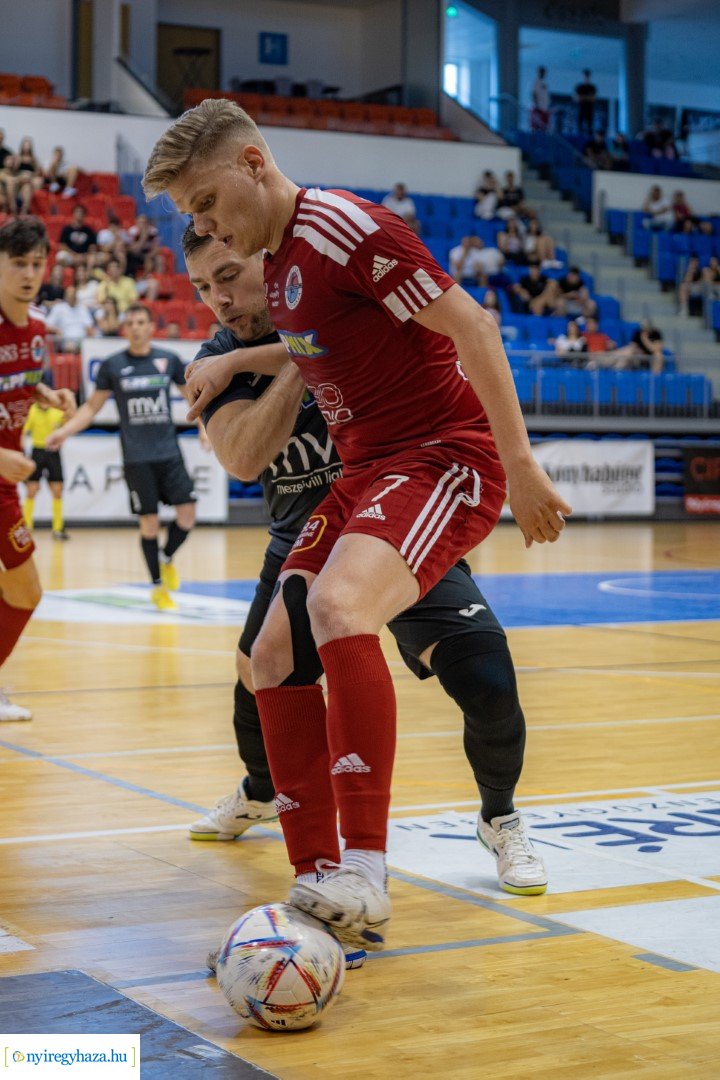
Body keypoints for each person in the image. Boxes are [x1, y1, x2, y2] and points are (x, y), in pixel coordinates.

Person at [144, 99, 570, 951]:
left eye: (204, 204)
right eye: (193, 217)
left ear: (253, 163)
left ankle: (367, 874)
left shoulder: (343, 226)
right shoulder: (287, 259)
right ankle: (315, 883)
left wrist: (520, 465)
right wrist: (237, 356)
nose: (207, 229)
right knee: (269, 654)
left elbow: (475, 325)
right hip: (368, 475)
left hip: (441, 458)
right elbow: (315, 341)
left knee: (341, 609)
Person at [183, 227, 548, 915]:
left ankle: (499, 816)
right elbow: (243, 459)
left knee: (489, 682)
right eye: (204, 287)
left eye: (228, 276)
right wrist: (295, 354)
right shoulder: (216, 358)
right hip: (304, 532)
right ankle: (263, 794)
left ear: (268, 259)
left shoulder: (338, 293)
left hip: (398, 513)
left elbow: (461, 325)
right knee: (260, 670)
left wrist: (302, 335)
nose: (219, 299)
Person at [47, 304, 203, 611]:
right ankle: (158, 586)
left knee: (188, 514)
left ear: (149, 327)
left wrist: (205, 429)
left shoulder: (167, 360)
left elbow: (194, 399)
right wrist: (64, 432)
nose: (135, 327)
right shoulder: (112, 366)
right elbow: (91, 409)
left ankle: (166, 557)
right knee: (149, 524)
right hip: (136, 458)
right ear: (124, 328)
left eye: (140, 321)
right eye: (129, 322)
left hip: (169, 453)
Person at [0, 217, 75, 722]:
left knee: (25, 590)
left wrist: (49, 393)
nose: (29, 273)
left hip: (4, 485)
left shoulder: (40, 328)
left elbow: (22, 379)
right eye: (18, 263)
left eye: (36, 263)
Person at [22, 399, 69, 539]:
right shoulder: (31, 411)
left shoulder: (58, 412)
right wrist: (22, 454)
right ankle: (27, 527)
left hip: (53, 452)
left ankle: (57, 528)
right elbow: (23, 433)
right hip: (37, 451)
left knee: (58, 489)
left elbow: (68, 427)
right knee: (31, 489)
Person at [574, 69, 597, 135]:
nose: (586, 77)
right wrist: (588, 97)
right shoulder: (579, 87)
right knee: (579, 125)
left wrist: (583, 97)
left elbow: (593, 99)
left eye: (588, 75)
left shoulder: (592, 87)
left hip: (589, 109)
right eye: (585, 75)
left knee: (590, 125)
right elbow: (576, 98)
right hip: (581, 108)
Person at [530, 67, 550, 132]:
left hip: (544, 108)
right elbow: (533, 93)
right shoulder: (536, 82)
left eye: (544, 72)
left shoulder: (544, 83)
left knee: (544, 125)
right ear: (539, 72)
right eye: (542, 72)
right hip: (538, 107)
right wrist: (536, 105)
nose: (543, 74)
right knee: (536, 124)